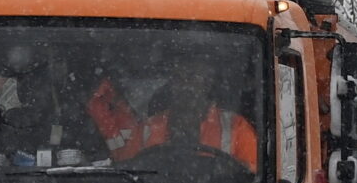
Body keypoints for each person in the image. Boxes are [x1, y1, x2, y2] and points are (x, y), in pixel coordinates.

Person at [85, 71, 257, 167]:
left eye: (195, 77)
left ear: (208, 84)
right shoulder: (147, 129)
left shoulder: (236, 128)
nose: (187, 86)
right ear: (172, 86)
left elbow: (250, 178)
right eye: (181, 78)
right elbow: (127, 173)